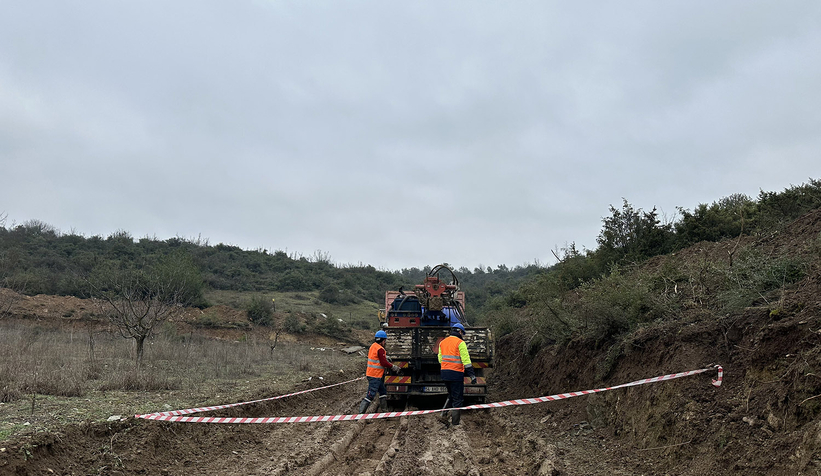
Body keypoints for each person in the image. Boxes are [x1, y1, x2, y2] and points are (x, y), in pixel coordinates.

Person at [438, 323, 476, 426]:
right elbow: (466, 360)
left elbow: (440, 359)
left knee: (451, 395)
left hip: (445, 373)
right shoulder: (460, 343)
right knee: (457, 399)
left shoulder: (443, 342)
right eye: (462, 333)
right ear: (459, 331)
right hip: (456, 374)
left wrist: (446, 367)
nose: (462, 335)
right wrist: (472, 375)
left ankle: (443, 414)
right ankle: (455, 424)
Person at [358, 330, 400, 413]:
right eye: (385, 341)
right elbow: (383, 363)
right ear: (382, 340)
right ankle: (360, 414)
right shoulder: (380, 349)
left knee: (383, 391)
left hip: (372, 374)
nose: (385, 342)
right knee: (370, 395)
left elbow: (376, 356)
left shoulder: (373, 346)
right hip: (375, 375)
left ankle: (385, 412)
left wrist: (384, 356)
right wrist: (393, 367)